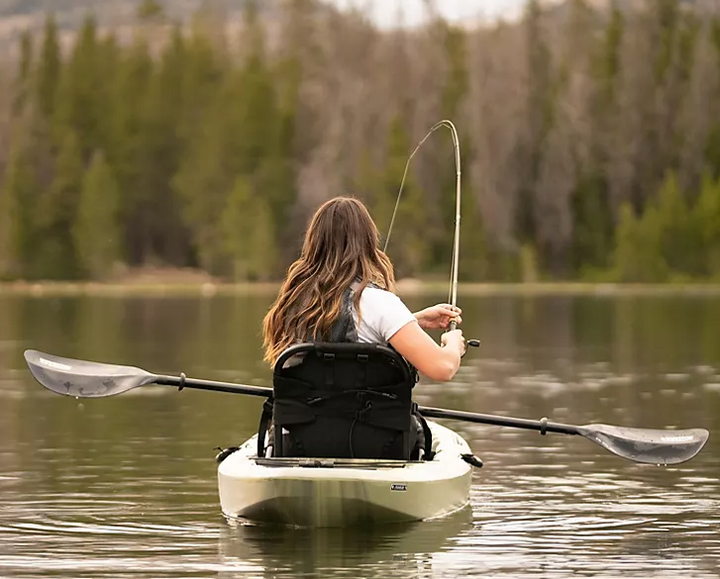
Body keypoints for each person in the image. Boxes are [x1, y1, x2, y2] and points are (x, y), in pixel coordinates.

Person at [262, 196, 467, 378]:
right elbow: (443, 368)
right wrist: (453, 345)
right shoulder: (380, 303)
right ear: (368, 242)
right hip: (365, 421)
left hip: (304, 421)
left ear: (314, 243)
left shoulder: (294, 302)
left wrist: (413, 320)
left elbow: (338, 335)